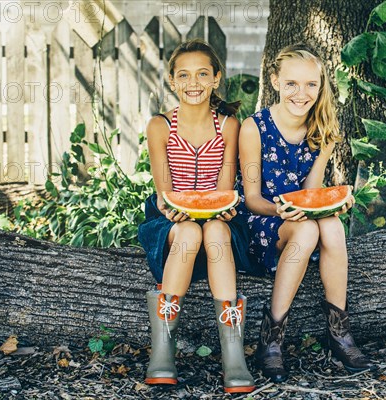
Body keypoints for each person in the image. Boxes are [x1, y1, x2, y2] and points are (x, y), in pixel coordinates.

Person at [239, 43, 374, 383]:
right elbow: (252, 198)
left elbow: (311, 193)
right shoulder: (254, 128)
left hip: (299, 215)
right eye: (292, 84)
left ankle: (339, 332)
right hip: (262, 219)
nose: (302, 94)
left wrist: (334, 203)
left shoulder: (322, 129)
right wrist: (281, 210)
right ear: (275, 81)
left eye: (311, 85)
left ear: (321, 85)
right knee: (308, 230)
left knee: (331, 226)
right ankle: (271, 338)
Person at [138, 39, 255, 394]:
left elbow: (223, 187)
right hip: (169, 218)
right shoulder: (160, 126)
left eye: (203, 74)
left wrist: (222, 206)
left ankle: (233, 353)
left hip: (219, 218)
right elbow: (165, 192)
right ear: (172, 81)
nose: (194, 83)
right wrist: (179, 210)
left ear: (216, 79)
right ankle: (162, 349)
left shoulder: (228, 125)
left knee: (216, 231)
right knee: (189, 233)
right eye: (184, 75)